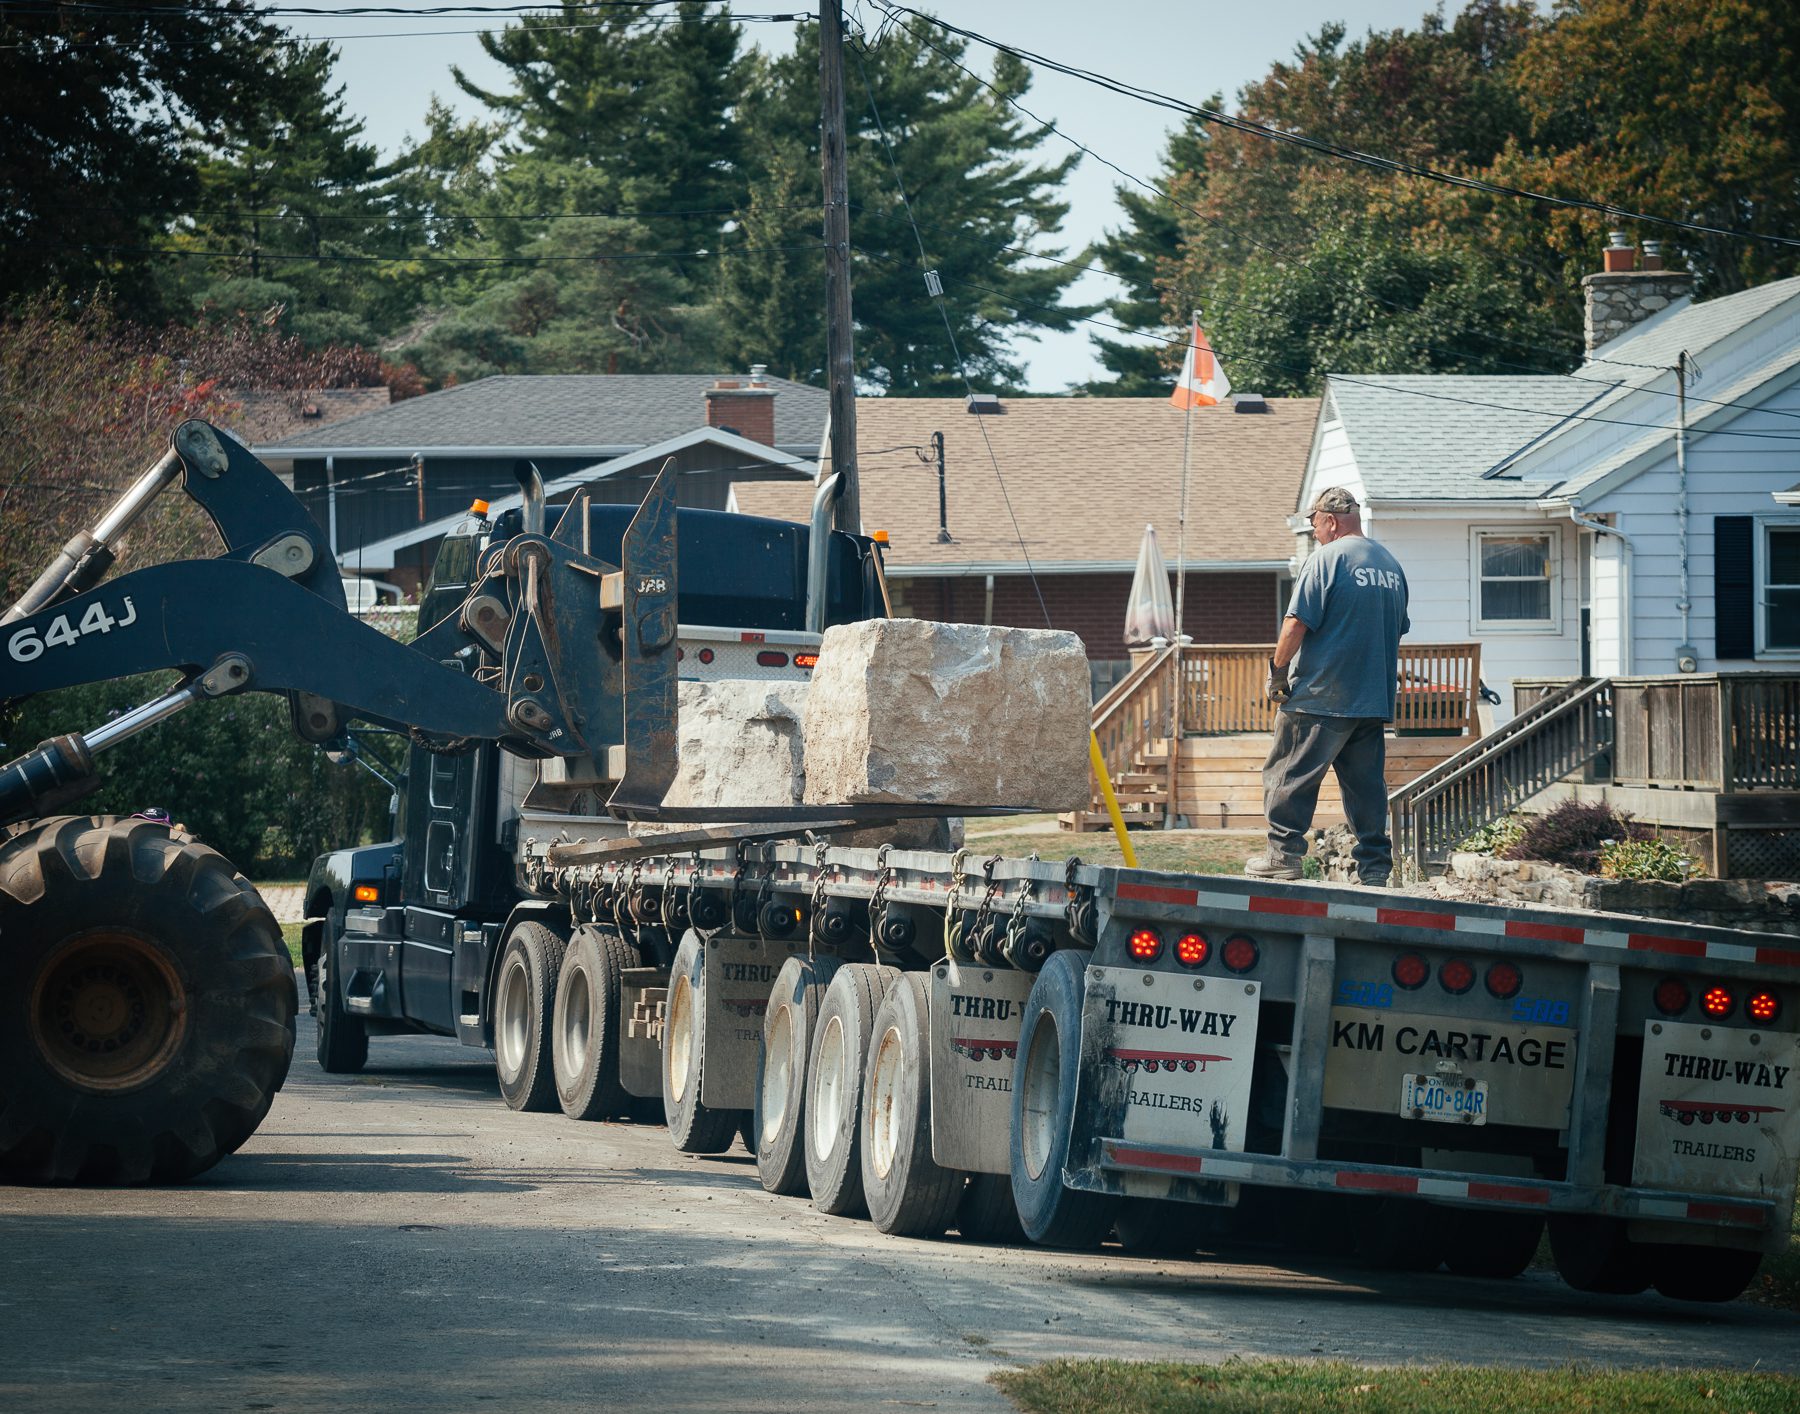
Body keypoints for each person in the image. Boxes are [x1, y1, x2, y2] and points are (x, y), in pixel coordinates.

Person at [1245, 487, 1410, 887]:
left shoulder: (1326, 559)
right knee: (1366, 789)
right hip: (1371, 700)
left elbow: (1295, 623)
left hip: (1320, 697)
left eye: (1315, 524)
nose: (1314, 532)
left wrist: (1278, 672)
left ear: (1331, 520)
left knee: (1288, 775)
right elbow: (1398, 628)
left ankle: (1283, 856)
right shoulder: (1390, 565)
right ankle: (1374, 869)